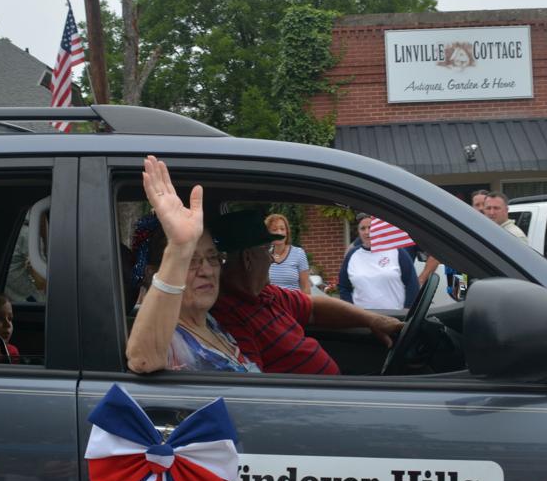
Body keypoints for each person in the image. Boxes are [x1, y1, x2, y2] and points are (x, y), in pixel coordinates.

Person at [211, 211, 403, 375]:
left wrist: (372, 320)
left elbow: (313, 308)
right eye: (267, 249)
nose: (271, 258)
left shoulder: (266, 294)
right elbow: (255, 385)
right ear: (247, 258)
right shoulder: (229, 316)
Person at [124, 156, 262, 374]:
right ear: (153, 274)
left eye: (212, 257)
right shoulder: (168, 338)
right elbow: (142, 360)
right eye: (191, 261)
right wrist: (180, 248)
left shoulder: (209, 322)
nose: (207, 271)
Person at [338, 213, 419, 310]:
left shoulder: (397, 251)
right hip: (363, 318)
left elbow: (412, 284)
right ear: (358, 231)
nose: (367, 232)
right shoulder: (352, 255)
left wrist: (407, 311)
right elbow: (343, 287)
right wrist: (351, 310)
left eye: (370, 227)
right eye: (363, 228)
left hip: (395, 316)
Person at [264, 213, 311, 294]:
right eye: (274, 230)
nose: (279, 232)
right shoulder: (264, 255)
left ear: (287, 232)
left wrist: (306, 305)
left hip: (294, 304)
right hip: (271, 305)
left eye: (282, 229)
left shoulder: (298, 253)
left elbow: (306, 287)